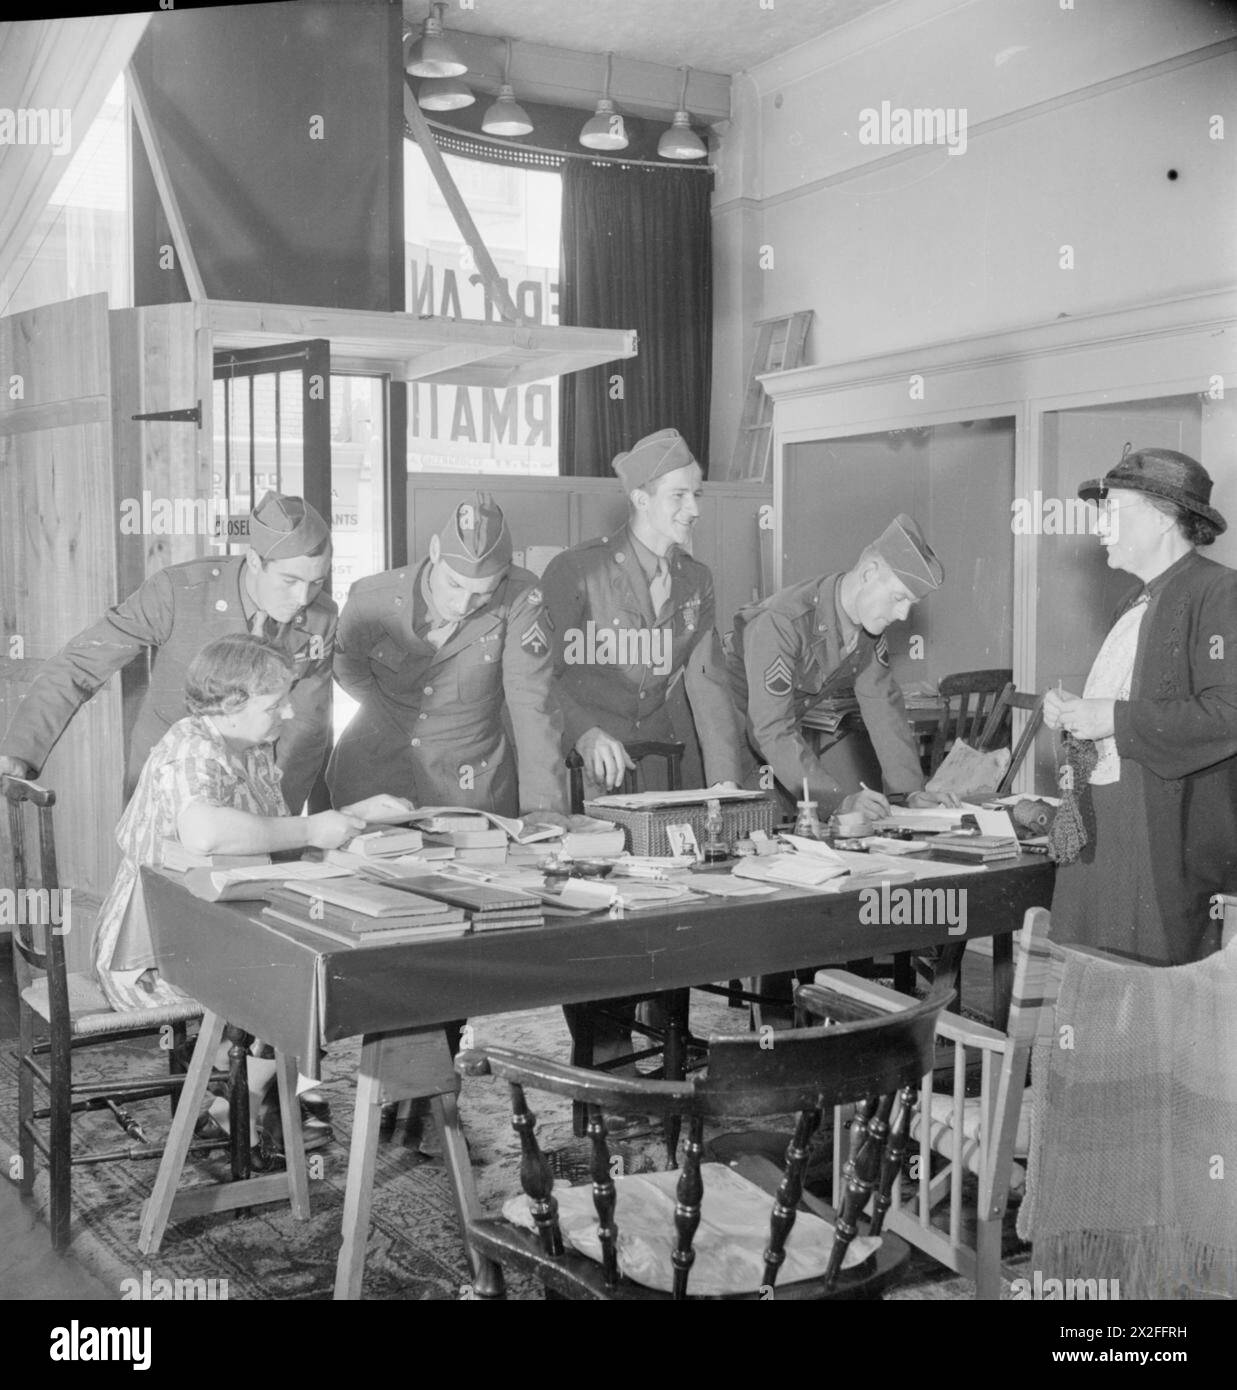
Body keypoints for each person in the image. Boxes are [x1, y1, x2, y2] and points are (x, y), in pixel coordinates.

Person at [91, 633, 413, 1153]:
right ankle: (243, 1099)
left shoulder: (253, 748)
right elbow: (206, 834)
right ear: (229, 704)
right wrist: (312, 832)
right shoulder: (192, 745)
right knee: (300, 976)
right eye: (274, 703)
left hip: (213, 928)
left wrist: (357, 817)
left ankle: (251, 1093)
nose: (288, 713)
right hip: (151, 949)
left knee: (318, 960)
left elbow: (268, 839)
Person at [0, 492, 335, 814]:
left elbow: (306, 726)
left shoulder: (322, 617)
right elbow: (79, 665)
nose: (304, 597)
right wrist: (20, 751)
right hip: (171, 781)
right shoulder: (179, 592)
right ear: (253, 561)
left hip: (257, 790)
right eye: (289, 580)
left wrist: (279, 819)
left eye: (317, 582)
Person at [1042, 447, 1237, 965]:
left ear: (1160, 516)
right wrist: (1080, 713)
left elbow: (1230, 714)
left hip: (1163, 846)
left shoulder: (1221, 592)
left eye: (1113, 510)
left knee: (1153, 1012)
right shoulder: (1134, 600)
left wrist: (1112, 718)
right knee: (1090, 986)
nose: (1101, 526)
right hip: (1107, 831)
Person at [327, 493, 568, 820]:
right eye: (454, 584)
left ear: (505, 574)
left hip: (470, 790)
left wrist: (543, 810)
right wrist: (397, 708)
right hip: (375, 777)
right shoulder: (371, 598)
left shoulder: (522, 598)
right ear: (436, 551)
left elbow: (532, 703)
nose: (463, 604)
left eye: (482, 594)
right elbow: (346, 671)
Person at [540, 427, 746, 795]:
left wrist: (723, 779)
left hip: (656, 768)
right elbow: (538, 674)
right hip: (583, 766)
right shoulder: (577, 571)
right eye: (679, 495)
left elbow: (707, 684)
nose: (694, 509)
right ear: (641, 499)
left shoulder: (696, 580)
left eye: (696, 494)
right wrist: (584, 732)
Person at [728, 513, 954, 819]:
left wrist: (909, 792)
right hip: (729, 746)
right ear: (868, 573)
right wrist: (837, 801)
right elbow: (769, 728)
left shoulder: (867, 629)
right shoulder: (782, 621)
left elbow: (884, 706)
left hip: (778, 749)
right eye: (899, 598)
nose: (902, 615)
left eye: (909, 604)